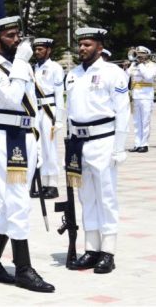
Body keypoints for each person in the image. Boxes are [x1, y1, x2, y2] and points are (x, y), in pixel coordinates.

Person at [0, 16, 54, 293]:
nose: (16, 40)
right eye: (10, 36)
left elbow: (32, 103)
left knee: (14, 204)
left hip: (25, 136)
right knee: (19, 202)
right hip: (6, 136)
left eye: (17, 35)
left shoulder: (20, 66)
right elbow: (11, 99)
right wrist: (22, 62)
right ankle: (23, 268)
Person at [66, 27, 130, 274]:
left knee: (106, 196)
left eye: (88, 44)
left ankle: (108, 251)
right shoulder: (72, 74)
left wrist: (119, 147)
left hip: (103, 140)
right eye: (80, 44)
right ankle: (91, 248)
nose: (82, 48)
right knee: (86, 197)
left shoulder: (112, 72)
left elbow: (123, 110)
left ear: (100, 47)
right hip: (78, 143)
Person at [32, 38, 65, 199]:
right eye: (36, 49)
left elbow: (59, 95)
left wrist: (59, 119)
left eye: (41, 49)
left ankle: (52, 184)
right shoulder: (33, 68)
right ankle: (42, 183)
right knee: (38, 147)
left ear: (48, 50)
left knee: (49, 148)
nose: (37, 52)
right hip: (35, 110)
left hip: (48, 110)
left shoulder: (55, 68)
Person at [126, 46, 155, 153]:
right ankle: (137, 144)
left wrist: (140, 65)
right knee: (136, 122)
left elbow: (148, 77)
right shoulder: (134, 64)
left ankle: (144, 144)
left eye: (141, 53)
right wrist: (127, 68)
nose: (138, 55)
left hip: (147, 96)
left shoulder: (152, 66)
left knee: (145, 121)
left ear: (146, 54)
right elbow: (126, 77)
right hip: (136, 96)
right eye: (137, 53)